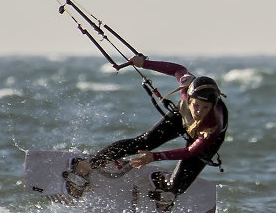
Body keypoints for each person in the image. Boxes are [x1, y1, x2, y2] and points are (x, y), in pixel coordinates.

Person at [71, 55, 228, 199]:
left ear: (213, 106)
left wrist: (154, 156)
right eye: (196, 105)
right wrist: (144, 63)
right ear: (189, 97)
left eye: (205, 108)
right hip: (181, 118)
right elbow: (177, 70)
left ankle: (167, 194)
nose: (199, 111)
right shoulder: (188, 86)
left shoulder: (212, 126)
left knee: (176, 187)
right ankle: (86, 166)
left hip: (204, 140)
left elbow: (189, 152)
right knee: (143, 143)